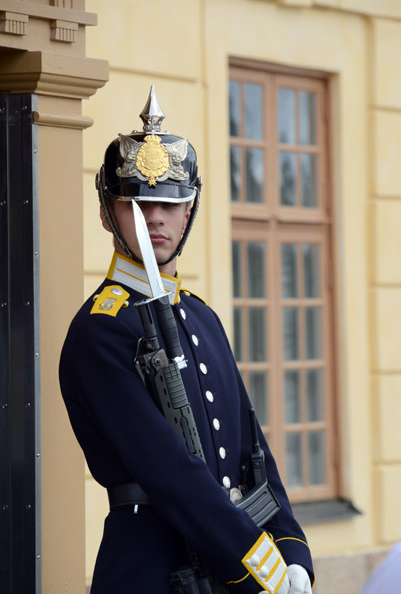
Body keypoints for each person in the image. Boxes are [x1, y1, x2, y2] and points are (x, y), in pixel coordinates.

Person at [59, 86, 315, 593]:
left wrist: (291, 551)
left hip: (225, 569)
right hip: (153, 572)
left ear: (188, 211)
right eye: (136, 203)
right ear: (108, 212)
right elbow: (168, 470)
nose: (155, 217)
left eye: (169, 205)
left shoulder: (202, 317)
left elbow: (253, 454)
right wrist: (263, 570)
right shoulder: (102, 328)